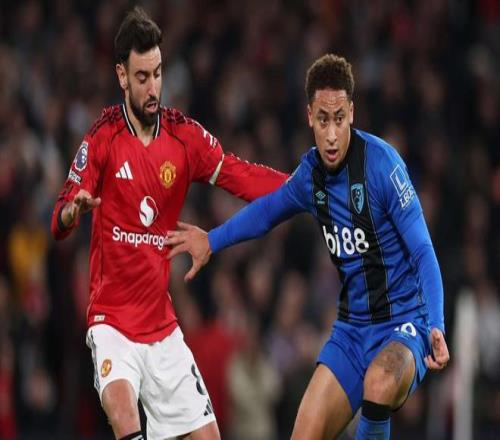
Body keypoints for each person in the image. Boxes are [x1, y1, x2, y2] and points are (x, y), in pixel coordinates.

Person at [166, 54, 450, 439]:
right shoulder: (310, 176)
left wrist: (436, 324)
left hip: (404, 324)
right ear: (309, 117)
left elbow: (423, 252)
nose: (331, 134)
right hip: (352, 331)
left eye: (339, 119)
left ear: (351, 114)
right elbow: (267, 212)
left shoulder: (384, 165)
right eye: (323, 119)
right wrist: (211, 240)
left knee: (380, 381)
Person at [50, 7, 287, 440]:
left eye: (158, 74)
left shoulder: (183, 137)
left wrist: (300, 187)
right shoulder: (102, 137)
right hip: (112, 322)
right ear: (122, 76)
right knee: (124, 415)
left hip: (162, 329)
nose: (153, 87)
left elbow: (240, 175)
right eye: (142, 77)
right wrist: (73, 210)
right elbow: (59, 220)